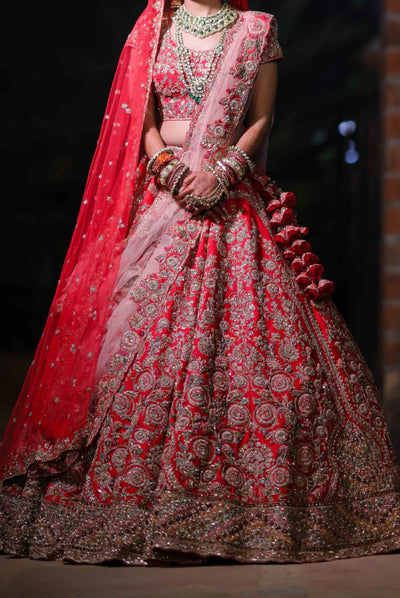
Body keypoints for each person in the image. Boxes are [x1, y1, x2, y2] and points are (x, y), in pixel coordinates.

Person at [0, 0, 399, 566]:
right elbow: (142, 121)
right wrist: (168, 169)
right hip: (163, 200)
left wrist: (222, 172)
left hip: (232, 204)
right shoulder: (152, 27)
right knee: (122, 351)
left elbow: (261, 119)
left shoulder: (258, 29)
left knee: (267, 359)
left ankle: (258, 510)